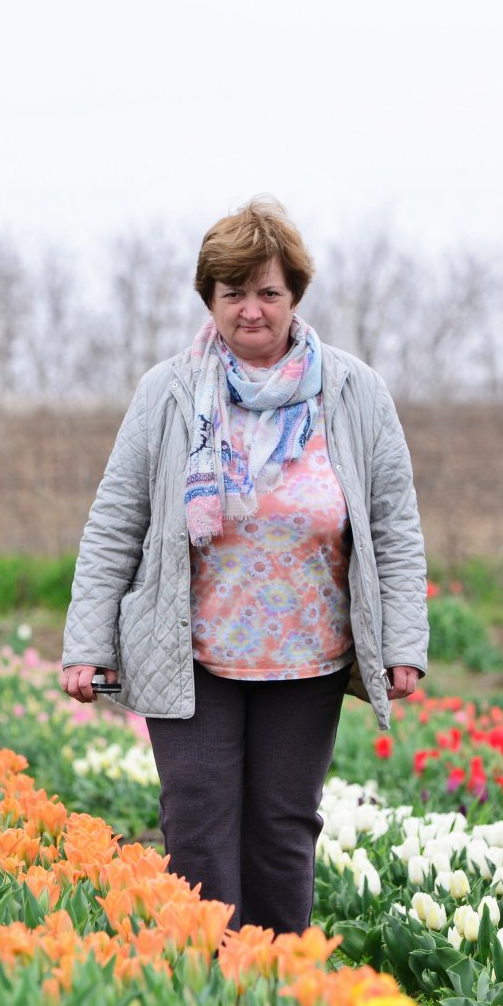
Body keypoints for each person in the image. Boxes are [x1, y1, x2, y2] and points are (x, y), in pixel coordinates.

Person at [61, 197, 429, 936]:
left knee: (283, 826)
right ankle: (207, 992)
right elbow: (116, 520)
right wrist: (87, 643)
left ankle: (279, 989)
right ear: (210, 299)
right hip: (190, 649)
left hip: (310, 653)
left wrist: (404, 645)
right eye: (234, 293)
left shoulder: (353, 391)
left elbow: (394, 526)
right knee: (196, 821)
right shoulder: (168, 391)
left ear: (295, 297)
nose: (252, 310)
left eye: (269, 292)